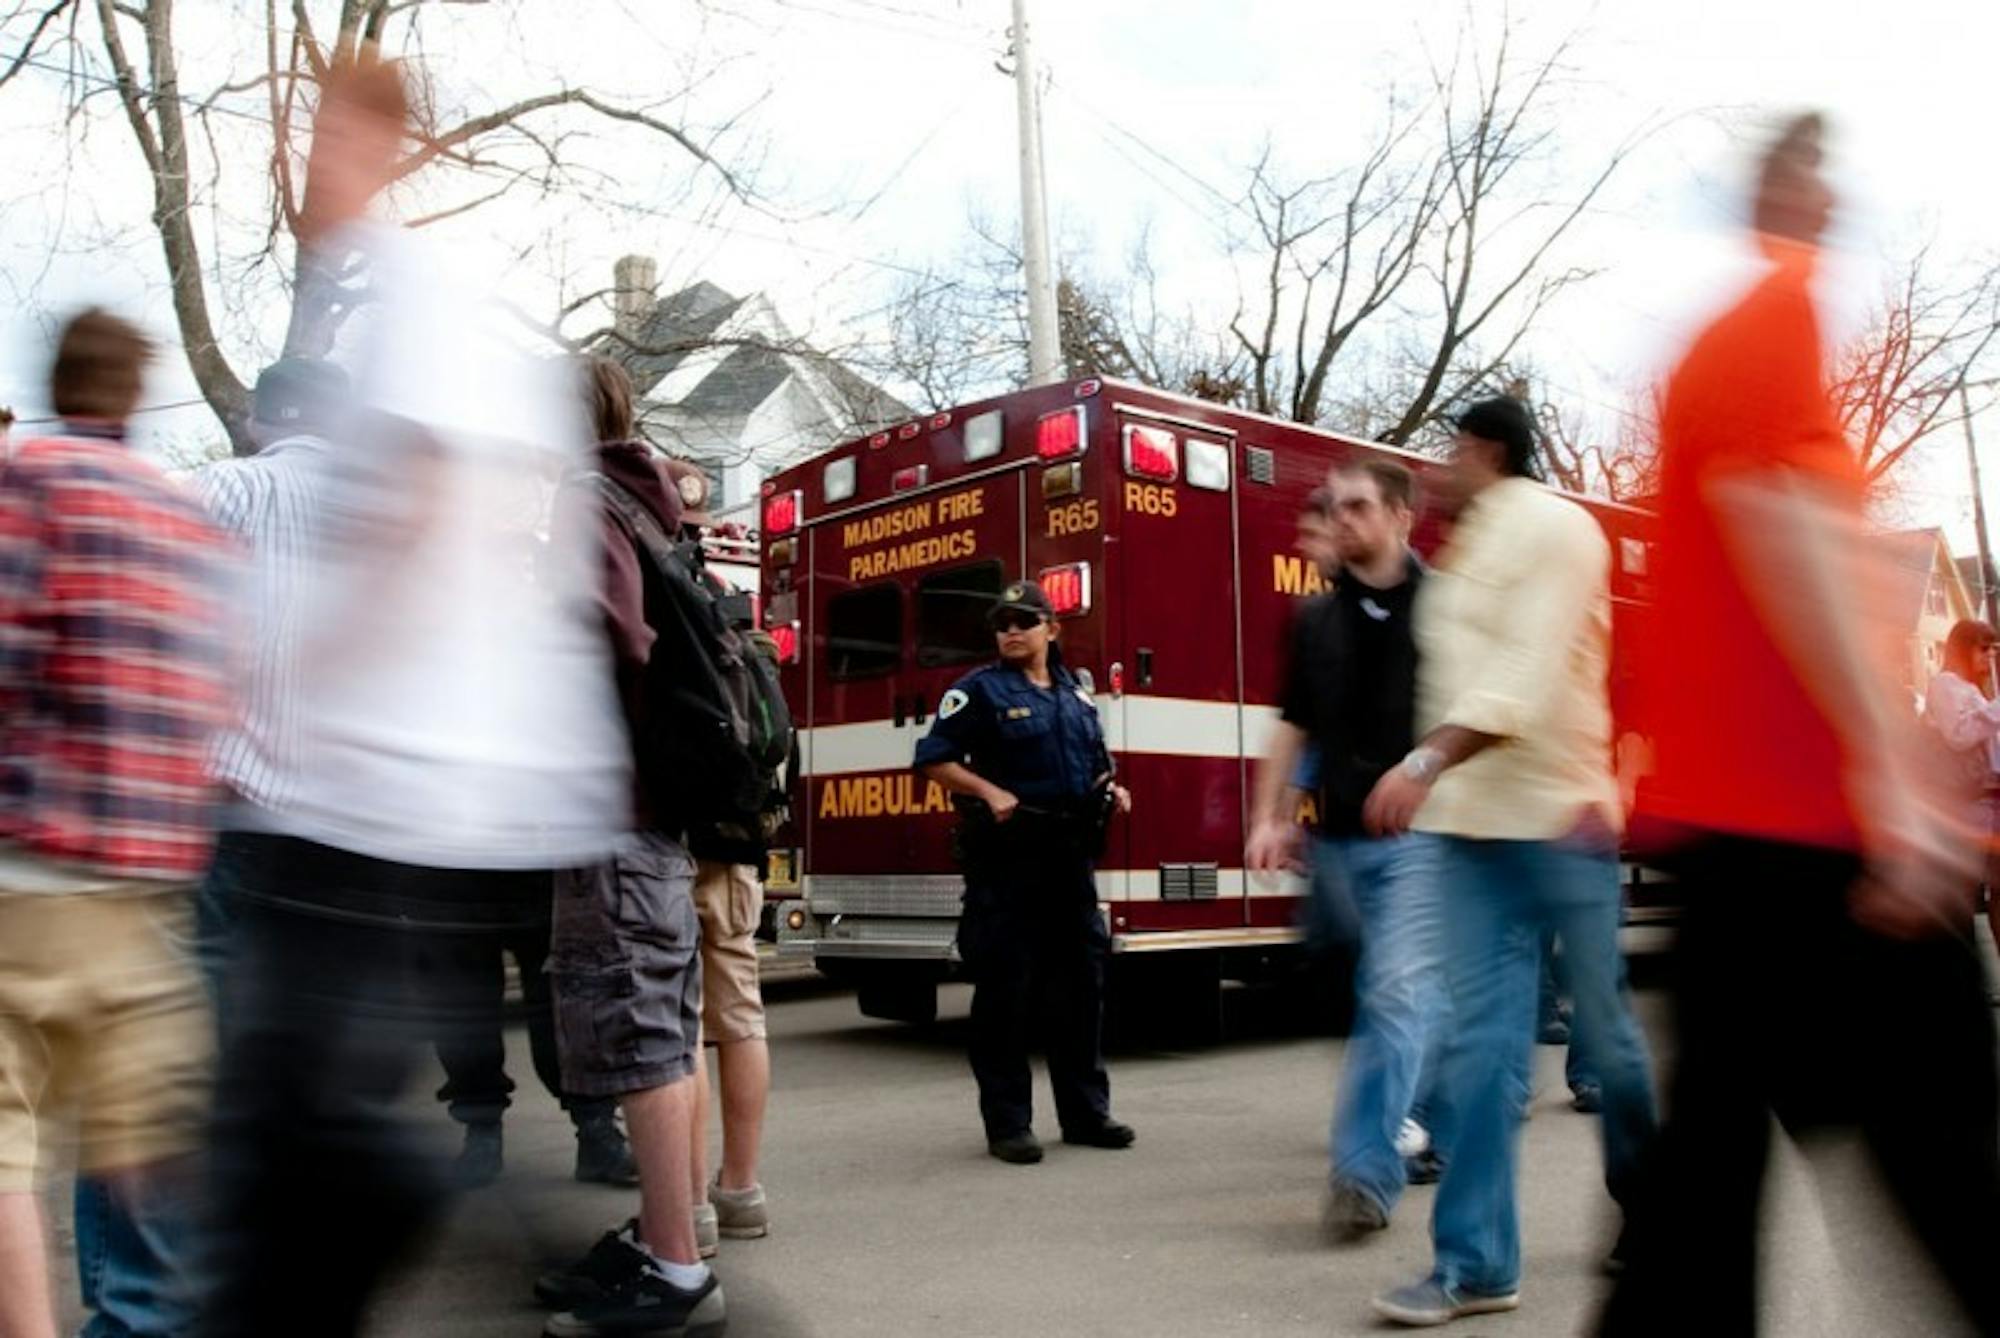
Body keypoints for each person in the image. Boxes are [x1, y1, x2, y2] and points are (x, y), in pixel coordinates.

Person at [198, 55, 632, 1336]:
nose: (297, 165)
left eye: (315, 136)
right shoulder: (412, 299)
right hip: (428, 803)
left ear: (385, 144)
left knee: (290, 1153)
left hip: (376, 798)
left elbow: (427, 495)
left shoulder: (410, 289)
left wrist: (300, 684)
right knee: (313, 1143)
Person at [1599, 115, 2000, 1336]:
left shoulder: (1732, 344)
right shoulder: (1773, 315)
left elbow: (1787, 536)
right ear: (1784, 193)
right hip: (1812, 836)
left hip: (1737, 841)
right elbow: (1777, 522)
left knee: (1699, 1207)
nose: (1832, 197)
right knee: (1948, 1178)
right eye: (1816, 170)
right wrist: (1888, 774)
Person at [1362, 396, 1657, 1328]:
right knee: (1480, 1052)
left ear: (1486, 448)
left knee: (1605, 1040)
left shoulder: (1561, 530)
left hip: (1559, 819)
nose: (1440, 464)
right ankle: (1479, 1265)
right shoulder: (1461, 554)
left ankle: (1655, 1215)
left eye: (1450, 447)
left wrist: (1423, 761)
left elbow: (1524, 677)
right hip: (1470, 835)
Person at [0, 309, 231, 1338]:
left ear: (57, 384)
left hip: (30, 870)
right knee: (140, 1136)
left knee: (8, 1147)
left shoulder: (29, 482)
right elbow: (213, 692)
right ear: (138, 397)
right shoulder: (182, 513)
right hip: (151, 883)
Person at [535, 356, 724, 1337]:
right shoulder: (649, 503)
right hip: (657, 811)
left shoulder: (583, 502)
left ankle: (675, 1273)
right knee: (670, 1026)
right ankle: (669, 1228)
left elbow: (605, 630)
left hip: (615, 804)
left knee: (644, 1034)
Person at [1246, 457, 1446, 1239]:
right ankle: (1426, 1111)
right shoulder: (1314, 621)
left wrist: (1427, 771)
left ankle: (1365, 1175)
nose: (1341, 519)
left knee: (1395, 992)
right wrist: (1271, 814)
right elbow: (1292, 723)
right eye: (1335, 508)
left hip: (1421, 839)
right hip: (1335, 842)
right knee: (1359, 995)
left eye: (1358, 506)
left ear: (1401, 515)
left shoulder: (1445, 609)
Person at [915, 579, 1134, 1165]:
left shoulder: (1076, 695)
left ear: (1051, 629)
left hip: (1070, 860)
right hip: (1008, 864)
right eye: (1002, 624)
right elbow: (932, 759)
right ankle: (1009, 1124)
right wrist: (988, 791)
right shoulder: (977, 692)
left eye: (1023, 621)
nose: (1011, 631)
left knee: (1081, 989)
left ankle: (1086, 1114)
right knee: (1006, 993)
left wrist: (1113, 789)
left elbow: (1092, 762)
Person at [660, 461, 774, 1252]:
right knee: (741, 1018)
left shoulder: (651, 585)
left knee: (678, 1026)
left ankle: (687, 1212)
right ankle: (741, 1190)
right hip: (738, 845)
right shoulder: (736, 613)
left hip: (670, 841)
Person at [1925, 619, 2000, 951]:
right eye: (1983, 648)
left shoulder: (1976, 690)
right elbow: (1959, 735)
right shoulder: (1945, 684)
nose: (1989, 657)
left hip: (1991, 801)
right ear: (1963, 647)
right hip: (1966, 803)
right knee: (1964, 890)